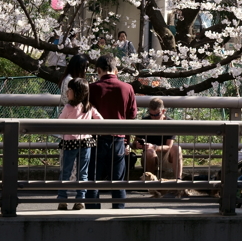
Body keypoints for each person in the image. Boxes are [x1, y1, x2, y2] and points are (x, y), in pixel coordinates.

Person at [87, 55, 137, 209]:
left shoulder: (92, 88)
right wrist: (128, 141)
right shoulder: (127, 88)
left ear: (98, 70)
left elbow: (86, 114)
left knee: (93, 180)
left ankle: (92, 213)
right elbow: (132, 116)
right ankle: (119, 213)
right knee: (118, 181)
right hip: (119, 139)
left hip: (96, 139)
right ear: (116, 70)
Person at [57, 78, 102, 210]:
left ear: (76, 92)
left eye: (69, 90)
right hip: (86, 142)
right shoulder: (89, 107)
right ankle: (80, 199)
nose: (67, 92)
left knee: (66, 171)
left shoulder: (68, 107)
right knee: (83, 173)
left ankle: (62, 199)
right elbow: (101, 120)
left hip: (70, 142)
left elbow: (59, 122)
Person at [136, 97, 184, 181]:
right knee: (150, 152)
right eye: (151, 115)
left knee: (177, 148)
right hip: (149, 155)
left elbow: (169, 146)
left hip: (165, 154)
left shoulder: (170, 123)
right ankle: (150, 181)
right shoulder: (145, 121)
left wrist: (154, 147)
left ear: (163, 111)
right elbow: (135, 142)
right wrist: (137, 144)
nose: (154, 117)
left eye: (156, 114)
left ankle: (178, 180)